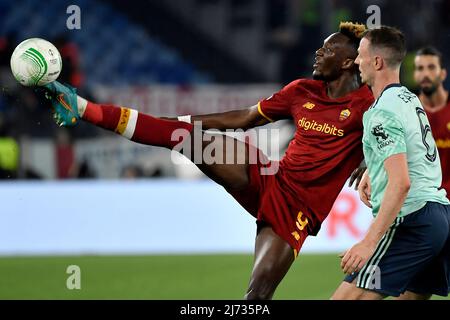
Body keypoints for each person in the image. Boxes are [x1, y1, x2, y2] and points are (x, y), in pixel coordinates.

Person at [39, 22, 373, 299]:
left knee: (256, 297)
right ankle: (84, 109)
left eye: (328, 50)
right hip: (267, 176)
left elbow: (396, 139)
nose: (318, 53)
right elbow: (243, 118)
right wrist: (182, 122)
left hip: (295, 212)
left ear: (347, 62)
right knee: (186, 138)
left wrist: (369, 161)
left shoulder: (369, 104)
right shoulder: (302, 91)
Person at [332, 26, 450, 300]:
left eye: (360, 55)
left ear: (377, 61)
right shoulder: (409, 99)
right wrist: (375, 171)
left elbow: (401, 183)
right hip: (439, 218)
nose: (356, 62)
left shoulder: (382, 111)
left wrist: (367, 244)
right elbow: (411, 152)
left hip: (413, 220)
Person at [414, 46, 450, 195]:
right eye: (420, 68)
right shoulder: (408, 111)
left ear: (442, 74)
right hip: (422, 203)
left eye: (431, 67)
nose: (425, 74)